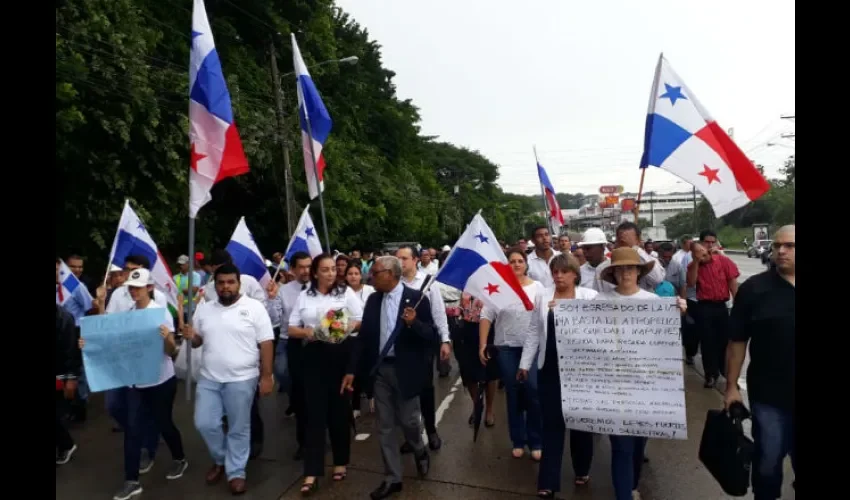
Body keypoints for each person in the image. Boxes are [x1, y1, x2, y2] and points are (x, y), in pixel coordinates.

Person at [81, 268, 188, 500]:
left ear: (149, 288)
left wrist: (167, 339)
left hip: (161, 381)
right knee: (132, 429)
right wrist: (88, 343)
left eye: (138, 288)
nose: (133, 292)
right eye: (131, 288)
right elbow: (109, 337)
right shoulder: (128, 313)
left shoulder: (160, 314)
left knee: (163, 423)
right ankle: (132, 481)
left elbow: (171, 351)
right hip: (136, 383)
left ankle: (179, 458)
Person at [595, 248, 687, 500]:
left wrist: (678, 312)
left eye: (630, 268)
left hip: (645, 387)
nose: (626, 272)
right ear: (613, 272)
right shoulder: (599, 302)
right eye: (620, 268)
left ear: (638, 271)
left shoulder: (655, 303)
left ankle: (632, 483)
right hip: (613, 387)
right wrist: (557, 311)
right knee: (621, 446)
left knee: (637, 444)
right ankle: (623, 494)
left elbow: (665, 343)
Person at [183, 264, 275, 495]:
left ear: (238, 284)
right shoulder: (204, 308)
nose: (226, 287)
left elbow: (266, 343)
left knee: (238, 427)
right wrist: (190, 336)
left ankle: (236, 472)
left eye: (230, 282)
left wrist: (267, 376)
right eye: (221, 282)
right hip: (209, 378)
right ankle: (221, 458)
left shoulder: (254, 308)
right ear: (215, 284)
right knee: (204, 423)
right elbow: (197, 342)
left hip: (243, 378)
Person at [352, 256, 436, 499]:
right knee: (385, 426)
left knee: (409, 421)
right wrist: (351, 370)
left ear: (390, 273)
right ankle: (392, 478)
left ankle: (419, 450)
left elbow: (431, 334)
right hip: (381, 371)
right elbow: (366, 336)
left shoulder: (417, 298)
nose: (371, 276)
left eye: (376, 272)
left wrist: (414, 323)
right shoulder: (373, 300)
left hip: (405, 370)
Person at [725, 225, 795, 500]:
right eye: (777, 245)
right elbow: (737, 342)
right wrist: (731, 387)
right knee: (767, 462)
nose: (780, 251)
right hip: (769, 396)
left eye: (789, 246)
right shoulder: (754, 290)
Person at [521, 254, 598, 498]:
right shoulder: (543, 296)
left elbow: (601, 329)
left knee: (580, 424)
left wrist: (571, 311)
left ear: (575, 274)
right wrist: (525, 363)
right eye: (555, 272)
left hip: (581, 371)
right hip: (550, 368)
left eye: (564, 272)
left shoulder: (590, 297)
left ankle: (582, 468)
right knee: (552, 424)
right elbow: (534, 330)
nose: (559, 276)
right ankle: (547, 482)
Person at [287, 254, 364, 494]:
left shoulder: (345, 294)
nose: (331, 273)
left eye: (333, 269)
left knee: (338, 413)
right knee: (313, 415)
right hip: (312, 357)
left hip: (339, 355)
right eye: (325, 270)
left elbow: (361, 320)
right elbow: (291, 328)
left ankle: (340, 461)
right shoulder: (304, 296)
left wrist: (347, 325)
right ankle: (311, 471)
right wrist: (307, 332)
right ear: (315, 273)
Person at [479, 247, 544, 460]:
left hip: (532, 348)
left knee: (533, 391)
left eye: (520, 261)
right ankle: (518, 439)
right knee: (514, 393)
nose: (516, 264)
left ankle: (536, 440)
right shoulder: (498, 288)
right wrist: (482, 345)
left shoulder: (538, 288)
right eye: (512, 261)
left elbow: (545, 316)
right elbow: (486, 316)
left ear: (526, 264)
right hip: (506, 347)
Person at [56, 304, 81, 465]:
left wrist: (71, 378)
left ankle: (67, 445)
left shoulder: (63, 317)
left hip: (59, 375)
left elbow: (72, 351)